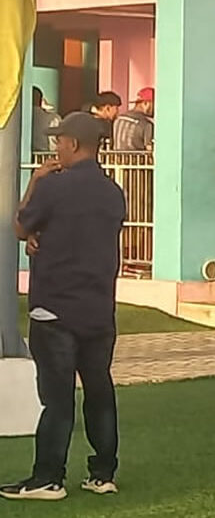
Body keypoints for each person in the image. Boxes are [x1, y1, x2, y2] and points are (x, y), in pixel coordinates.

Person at [2, 113, 126, 502]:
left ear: (72, 143)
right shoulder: (113, 191)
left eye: (59, 141)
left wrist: (35, 181)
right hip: (98, 309)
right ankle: (103, 473)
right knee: (99, 390)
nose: (56, 147)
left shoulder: (53, 187)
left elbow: (21, 225)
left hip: (55, 306)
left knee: (57, 397)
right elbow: (88, 236)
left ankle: (48, 477)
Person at [111, 87, 154, 152]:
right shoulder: (147, 125)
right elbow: (150, 151)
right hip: (137, 161)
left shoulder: (118, 119)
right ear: (146, 104)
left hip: (117, 161)